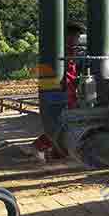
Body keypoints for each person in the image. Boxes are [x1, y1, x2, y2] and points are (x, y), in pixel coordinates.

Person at [32, 23, 85, 161]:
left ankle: (55, 152)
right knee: (58, 124)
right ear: (66, 36)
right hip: (58, 91)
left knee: (66, 124)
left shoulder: (73, 52)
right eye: (74, 36)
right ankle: (40, 146)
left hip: (70, 91)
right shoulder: (59, 51)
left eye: (77, 37)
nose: (76, 40)